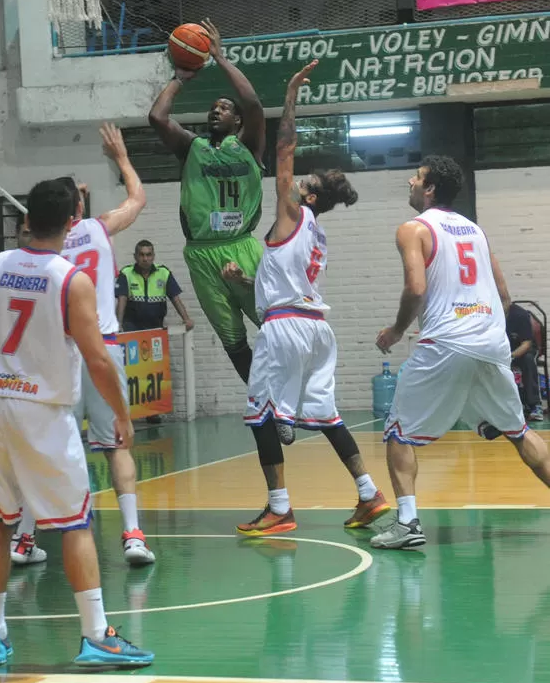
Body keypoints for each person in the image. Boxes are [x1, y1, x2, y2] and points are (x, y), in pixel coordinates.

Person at [0, 179, 154, 669]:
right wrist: (120, 412)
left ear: (26, 219)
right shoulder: (71, 280)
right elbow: (97, 360)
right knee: (74, 524)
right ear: (74, 220)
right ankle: (97, 634)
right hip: (43, 412)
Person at [235, 60, 390, 536]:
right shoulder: (316, 234)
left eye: (306, 185)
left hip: (285, 330)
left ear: (312, 197)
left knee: (259, 414)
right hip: (316, 330)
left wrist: (290, 98)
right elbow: (285, 284)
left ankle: (279, 507)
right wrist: (245, 282)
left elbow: (283, 152)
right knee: (325, 415)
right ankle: (369, 494)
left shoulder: (294, 212)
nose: (297, 183)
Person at [373, 155, 550, 550]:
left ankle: (407, 524)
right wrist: (480, 329)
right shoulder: (476, 231)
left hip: (445, 344)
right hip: (490, 342)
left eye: (416, 177)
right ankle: (480, 418)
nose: (410, 182)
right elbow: (504, 297)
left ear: (430, 188)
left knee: (398, 432)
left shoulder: (413, 229)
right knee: (520, 433)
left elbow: (416, 290)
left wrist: (397, 331)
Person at [11, 125, 155, 568]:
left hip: (58, 354)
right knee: (117, 447)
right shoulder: (99, 227)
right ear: (80, 207)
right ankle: (132, 536)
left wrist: (69, 202)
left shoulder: (38, 245)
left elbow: (26, 228)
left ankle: (23, 539)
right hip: (102, 346)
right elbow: (138, 198)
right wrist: (122, 157)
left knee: (48, 446)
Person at [148, 19, 265, 389]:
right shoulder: (192, 148)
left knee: (277, 323)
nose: (217, 111)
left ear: (238, 121)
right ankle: (264, 400)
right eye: (213, 108)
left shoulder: (249, 146)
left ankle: (296, 393)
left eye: (225, 108)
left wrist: (220, 58)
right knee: (233, 339)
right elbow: (157, 117)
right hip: (202, 253)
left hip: (243, 246)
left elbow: (253, 101)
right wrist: (180, 78)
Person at [116, 240, 193, 333]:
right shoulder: (126, 273)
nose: (145, 259)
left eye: (148, 255)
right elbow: (121, 300)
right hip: (131, 327)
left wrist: (186, 319)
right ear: (135, 256)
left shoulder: (163, 272)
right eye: (141, 255)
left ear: (153, 256)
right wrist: (118, 324)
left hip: (156, 327)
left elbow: (175, 298)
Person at [506, 301, 543, 421]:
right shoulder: (489, 314)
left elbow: (526, 344)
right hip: (503, 351)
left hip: (522, 350)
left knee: (528, 360)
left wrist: (510, 357)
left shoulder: (520, 315)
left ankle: (535, 406)